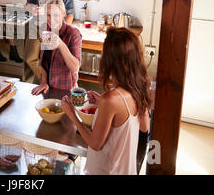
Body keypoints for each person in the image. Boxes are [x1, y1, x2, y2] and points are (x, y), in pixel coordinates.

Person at [61, 27, 152, 175]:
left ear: (112, 60)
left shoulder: (111, 99)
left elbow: (95, 144)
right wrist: (101, 103)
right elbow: (144, 127)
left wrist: (72, 115)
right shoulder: (138, 89)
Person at [25, 0, 74, 84]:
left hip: (51, 31)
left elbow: (69, 14)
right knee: (30, 58)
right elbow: (28, 4)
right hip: (35, 27)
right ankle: (44, 80)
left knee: (46, 59)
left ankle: (44, 82)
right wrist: (32, 8)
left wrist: (61, 34)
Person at [31, 0, 81, 94]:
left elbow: (75, 68)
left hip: (65, 90)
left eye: (56, 15)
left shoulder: (73, 33)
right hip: (48, 88)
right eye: (48, 15)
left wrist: (60, 44)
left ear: (63, 14)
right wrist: (44, 82)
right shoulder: (46, 30)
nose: (51, 19)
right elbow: (44, 61)